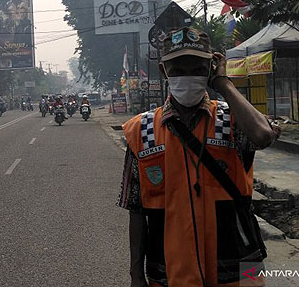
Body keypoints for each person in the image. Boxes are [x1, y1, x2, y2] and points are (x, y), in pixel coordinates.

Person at [118, 27, 280, 287]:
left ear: (210, 69)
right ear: (163, 72)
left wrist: (223, 83)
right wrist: (136, 276)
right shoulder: (141, 130)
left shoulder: (233, 118)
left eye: (197, 68)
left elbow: (262, 136)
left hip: (241, 267)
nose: (187, 76)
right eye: (178, 70)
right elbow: (136, 211)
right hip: (169, 272)